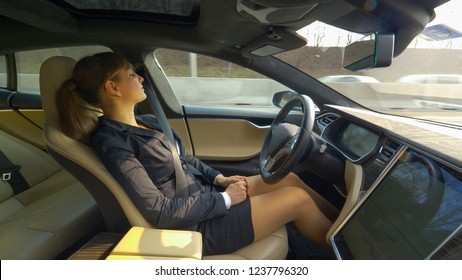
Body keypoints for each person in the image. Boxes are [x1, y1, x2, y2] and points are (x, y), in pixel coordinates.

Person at [56, 52, 333, 256]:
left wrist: (221, 179)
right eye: (131, 74)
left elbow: (185, 159)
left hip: (205, 199)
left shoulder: (147, 123)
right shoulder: (112, 142)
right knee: (296, 199)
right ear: (112, 88)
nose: (140, 78)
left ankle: (343, 223)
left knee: (289, 180)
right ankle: (344, 246)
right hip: (196, 224)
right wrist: (225, 199)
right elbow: (160, 211)